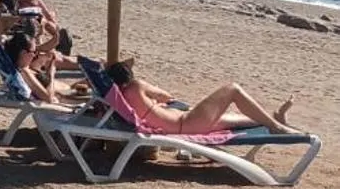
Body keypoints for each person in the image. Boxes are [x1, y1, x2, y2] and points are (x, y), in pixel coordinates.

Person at [105, 63, 296, 138]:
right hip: (186, 123)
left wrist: (153, 106)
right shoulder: (135, 86)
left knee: (234, 118)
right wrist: (155, 98)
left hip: (187, 124)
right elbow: (166, 95)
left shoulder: (119, 98)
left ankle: (274, 118)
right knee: (232, 89)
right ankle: (276, 128)